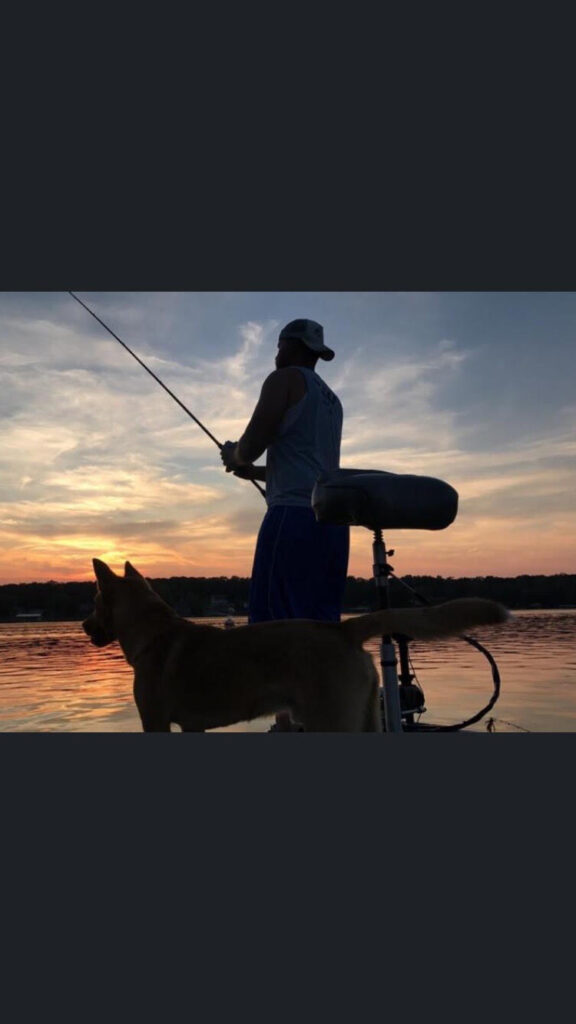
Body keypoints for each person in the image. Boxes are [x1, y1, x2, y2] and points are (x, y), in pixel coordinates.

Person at [220, 318, 350, 730]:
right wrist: (257, 473)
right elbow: (307, 463)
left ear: (290, 347)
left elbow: (252, 442)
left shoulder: (283, 380)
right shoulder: (331, 400)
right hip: (332, 523)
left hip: (291, 519)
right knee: (320, 630)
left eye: (278, 347)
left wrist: (235, 457)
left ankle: (288, 727)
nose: (275, 356)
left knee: (277, 630)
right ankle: (322, 721)